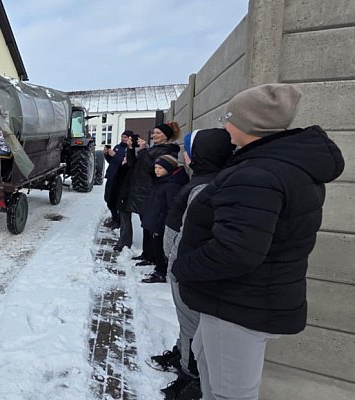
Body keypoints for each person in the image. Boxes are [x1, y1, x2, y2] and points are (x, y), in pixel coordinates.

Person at [172, 84, 344, 400]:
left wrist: (183, 266)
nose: (224, 126)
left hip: (238, 305)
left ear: (250, 125)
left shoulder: (256, 175)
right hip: (249, 298)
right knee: (210, 369)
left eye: (228, 118)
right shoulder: (283, 167)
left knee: (230, 394)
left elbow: (235, 252)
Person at [149, 127, 237, 400]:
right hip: (182, 267)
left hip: (186, 270)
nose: (185, 154)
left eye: (190, 150)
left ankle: (190, 376)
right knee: (187, 323)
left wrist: (178, 263)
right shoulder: (204, 181)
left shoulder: (203, 188)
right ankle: (182, 354)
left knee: (192, 327)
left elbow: (191, 232)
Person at [116, 123, 180, 253]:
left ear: (166, 136)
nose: (154, 135)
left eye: (158, 133)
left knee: (150, 224)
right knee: (145, 223)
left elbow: (151, 168)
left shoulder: (168, 150)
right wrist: (130, 149)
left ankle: (152, 255)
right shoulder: (155, 149)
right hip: (140, 189)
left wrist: (144, 150)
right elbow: (133, 164)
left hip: (150, 190)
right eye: (154, 133)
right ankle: (146, 254)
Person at [139, 154, 188, 284]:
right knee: (155, 247)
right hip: (155, 220)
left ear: (169, 168)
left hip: (160, 223)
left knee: (160, 249)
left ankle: (161, 272)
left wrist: (162, 223)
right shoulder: (161, 181)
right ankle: (158, 267)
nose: (157, 170)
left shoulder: (172, 185)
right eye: (156, 167)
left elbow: (171, 207)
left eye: (160, 168)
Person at [103, 131, 131, 228]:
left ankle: (117, 221)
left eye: (125, 137)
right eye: (122, 136)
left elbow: (125, 163)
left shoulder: (130, 150)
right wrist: (107, 154)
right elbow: (112, 161)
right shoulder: (117, 147)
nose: (123, 139)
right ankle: (115, 218)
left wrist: (115, 155)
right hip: (111, 176)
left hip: (120, 179)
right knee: (107, 198)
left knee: (114, 200)